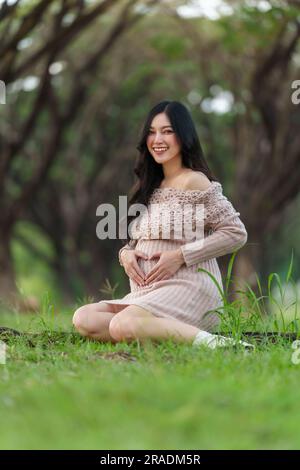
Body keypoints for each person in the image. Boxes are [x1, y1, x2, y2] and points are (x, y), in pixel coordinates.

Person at [73, 100, 254, 350]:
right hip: (148, 293)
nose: (157, 139)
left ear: (184, 136)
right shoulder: (151, 186)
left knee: (120, 325)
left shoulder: (194, 181)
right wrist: (125, 254)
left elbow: (236, 233)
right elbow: (142, 239)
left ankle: (216, 343)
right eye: (152, 131)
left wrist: (180, 256)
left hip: (188, 289)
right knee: (84, 318)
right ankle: (165, 337)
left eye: (167, 131)